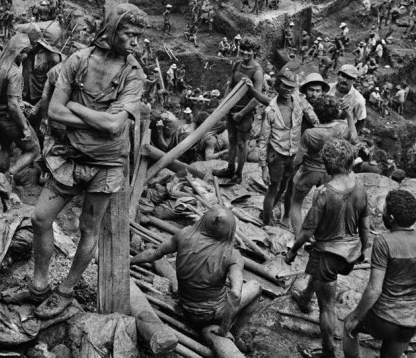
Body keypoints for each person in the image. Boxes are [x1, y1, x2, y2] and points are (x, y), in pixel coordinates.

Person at [0, 3, 146, 318]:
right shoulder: (79, 61)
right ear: (111, 32)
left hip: (106, 165)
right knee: (40, 218)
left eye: (138, 36)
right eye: (128, 34)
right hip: (69, 156)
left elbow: (114, 126)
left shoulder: (133, 75)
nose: (135, 42)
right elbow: (54, 112)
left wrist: (75, 109)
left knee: (88, 229)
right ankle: (38, 286)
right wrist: (93, 115)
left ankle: (65, 290)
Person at [285, 139, 370, 358]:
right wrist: (363, 249)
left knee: (327, 306)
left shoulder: (324, 193)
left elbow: (306, 230)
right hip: (350, 252)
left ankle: (328, 351)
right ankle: (304, 298)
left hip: (329, 254)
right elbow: (365, 225)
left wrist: (294, 249)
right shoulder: (360, 188)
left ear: (327, 164)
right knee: (322, 278)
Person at [131, 206, 261, 343]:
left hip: (186, 310)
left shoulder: (184, 234)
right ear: (230, 230)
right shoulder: (233, 255)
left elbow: (155, 253)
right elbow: (235, 294)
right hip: (212, 316)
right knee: (256, 286)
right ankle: (235, 334)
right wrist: (223, 330)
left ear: (204, 220)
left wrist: (129, 262)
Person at [342, 190, 416, 358]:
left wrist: (355, 316)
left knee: (349, 325)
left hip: (383, 317)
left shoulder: (383, 241)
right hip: (411, 322)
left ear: (390, 218)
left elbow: (374, 289)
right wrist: (414, 302)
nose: (382, 214)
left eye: (384, 211)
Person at [256, 69, 319, 226]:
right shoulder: (270, 110)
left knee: (287, 186)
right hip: (276, 155)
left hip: (294, 154)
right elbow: (263, 140)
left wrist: (317, 121)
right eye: (285, 86)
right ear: (278, 86)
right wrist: (263, 167)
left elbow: (312, 116)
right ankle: (265, 222)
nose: (288, 90)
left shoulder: (299, 100)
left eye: (291, 87)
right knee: (273, 188)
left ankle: (278, 215)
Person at [290, 95, 358, 236]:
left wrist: (294, 171)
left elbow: (299, 159)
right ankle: (325, 234)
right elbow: (355, 139)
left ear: (316, 112)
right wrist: (349, 116)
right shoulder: (342, 129)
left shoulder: (309, 133)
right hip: (330, 172)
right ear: (335, 113)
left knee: (296, 203)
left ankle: (299, 238)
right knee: (329, 206)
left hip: (310, 171)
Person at [213, 37, 271, 185]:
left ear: (254, 52)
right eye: (243, 49)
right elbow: (230, 86)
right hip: (231, 109)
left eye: (249, 50)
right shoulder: (237, 65)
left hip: (244, 113)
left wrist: (242, 113)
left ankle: (239, 173)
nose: (245, 52)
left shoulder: (257, 71)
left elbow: (256, 97)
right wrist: (224, 104)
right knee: (231, 139)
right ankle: (230, 168)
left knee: (241, 143)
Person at [0, 33, 41, 181]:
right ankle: (6, 177)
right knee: (33, 149)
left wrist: (21, 102)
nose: (25, 56)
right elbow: (12, 105)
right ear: (17, 51)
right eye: (23, 52)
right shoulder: (14, 73)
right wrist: (24, 127)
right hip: (8, 117)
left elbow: (0, 93)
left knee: (5, 148)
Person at [329, 64, 367, 132]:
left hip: (342, 131)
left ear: (354, 81)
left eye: (349, 78)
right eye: (343, 76)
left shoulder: (358, 100)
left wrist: (353, 137)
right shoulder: (328, 88)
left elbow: (361, 120)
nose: (345, 80)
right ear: (338, 75)